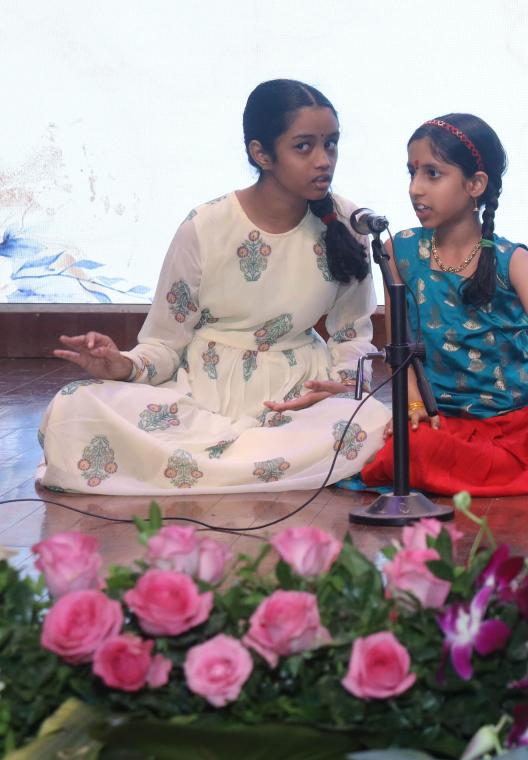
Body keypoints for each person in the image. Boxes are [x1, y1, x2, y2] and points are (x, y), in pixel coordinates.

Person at [39, 79, 384, 494]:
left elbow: (352, 336)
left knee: (373, 422)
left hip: (297, 401)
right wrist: (122, 365)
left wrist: (343, 383)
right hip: (201, 397)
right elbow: (165, 344)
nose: (323, 161)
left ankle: (215, 468)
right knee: (74, 406)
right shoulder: (204, 226)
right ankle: (248, 465)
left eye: (331, 144)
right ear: (261, 153)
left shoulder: (350, 223)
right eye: (304, 146)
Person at [357, 114, 528, 496]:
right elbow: (400, 348)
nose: (416, 189)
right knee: (413, 446)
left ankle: (501, 470)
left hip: (520, 423)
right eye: (412, 173)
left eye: (433, 174)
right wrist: (412, 408)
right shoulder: (397, 251)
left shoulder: (511, 259)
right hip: (444, 422)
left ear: (475, 184)